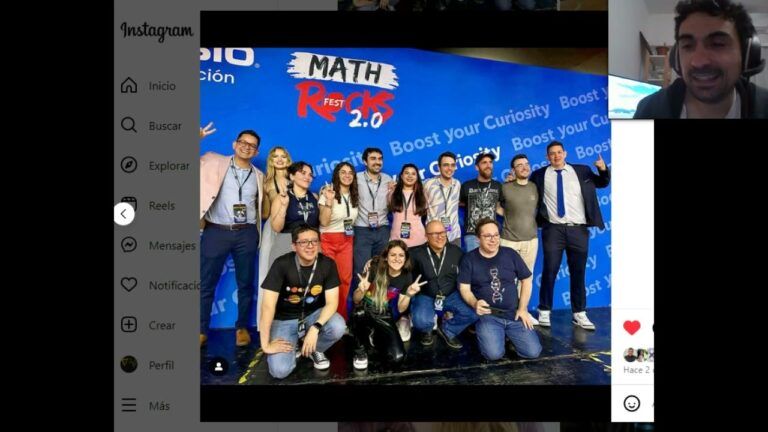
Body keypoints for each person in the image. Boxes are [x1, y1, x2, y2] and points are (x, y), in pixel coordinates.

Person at [634, 0, 767, 119]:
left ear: (746, 54)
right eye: (687, 46)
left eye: (717, 44)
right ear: (677, 58)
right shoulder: (649, 109)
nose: (699, 62)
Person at [530, 141, 610, 330]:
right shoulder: (539, 175)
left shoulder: (582, 170)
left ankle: (579, 313)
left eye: (559, 152)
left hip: (578, 230)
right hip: (553, 229)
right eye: (552, 153)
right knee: (550, 270)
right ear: (547, 157)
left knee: (578, 272)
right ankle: (544, 310)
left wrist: (603, 169)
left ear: (565, 153)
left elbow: (602, 183)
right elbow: (526, 190)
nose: (556, 156)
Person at [199, 127, 264, 348]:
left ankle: (242, 327)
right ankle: (200, 330)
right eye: (243, 142)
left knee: (245, 282)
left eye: (252, 145)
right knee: (206, 283)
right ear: (234, 144)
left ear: (256, 152)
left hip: (246, 233)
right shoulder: (213, 161)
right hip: (216, 231)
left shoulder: (259, 176)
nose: (247, 147)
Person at [259, 225, 346, 378]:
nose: (310, 246)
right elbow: (267, 306)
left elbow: (332, 302)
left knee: (338, 326)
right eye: (304, 242)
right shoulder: (281, 264)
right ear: (294, 246)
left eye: (314, 241)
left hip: (313, 315)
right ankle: (296, 347)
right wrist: (265, 345)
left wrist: (315, 328)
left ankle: (313, 348)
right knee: (280, 371)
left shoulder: (327, 264)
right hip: (284, 320)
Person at [458, 218, 542, 361]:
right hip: (488, 316)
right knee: (493, 355)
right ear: (478, 238)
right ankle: (493, 335)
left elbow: (527, 280)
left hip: (513, 314)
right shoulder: (469, 259)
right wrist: (474, 303)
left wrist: (523, 309)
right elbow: (464, 288)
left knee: (533, 352)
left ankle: (509, 338)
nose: (493, 240)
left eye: (496, 235)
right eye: (487, 236)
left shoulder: (510, 254)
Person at [350, 240, 427, 369]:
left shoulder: (406, 276)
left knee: (398, 358)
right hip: (366, 309)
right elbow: (356, 300)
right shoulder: (375, 268)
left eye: (401, 255)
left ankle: (375, 334)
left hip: (384, 313)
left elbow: (401, 308)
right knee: (358, 313)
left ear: (406, 258)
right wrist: (361, 290)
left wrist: (409, 294)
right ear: (386, 257)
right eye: (393, 255)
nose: (397, 259)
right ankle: (360, 350)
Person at [409, 220, 477, 348]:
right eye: (435, 234)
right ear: (426, 236)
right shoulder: (415, 254)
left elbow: (471, 267)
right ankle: (427, 330)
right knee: (420, 320)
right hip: (426, 295)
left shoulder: (457, 252)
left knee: (473, 313)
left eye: (442, 232)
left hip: (451, 294)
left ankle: (447, 330)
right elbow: (396, 261)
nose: (440, 237)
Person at [256, 146, 292, 331]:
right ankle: (266, 324)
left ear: (288, 160)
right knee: (269, 274)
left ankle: (290, 321)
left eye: (283, 156)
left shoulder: (296, 180)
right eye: (275, 156)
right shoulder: (266, 183)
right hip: (273, 230)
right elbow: (265, 214)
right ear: (270, 160)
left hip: (293, 230)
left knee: (293, 276)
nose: (279, 159)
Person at [318, 162, 359, 321]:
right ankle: (325, 318)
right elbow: (323, 222)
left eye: (350, 172)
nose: (347, 175)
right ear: (337, 174)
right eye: (343, 172)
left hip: (347, 240)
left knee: (345, 280)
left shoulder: (354, 195)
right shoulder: (328, 192)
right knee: (329, 281)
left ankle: (340, 318)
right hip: (328, 239)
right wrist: (329, 201)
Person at [353, 148, 395, 293]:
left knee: (382, 268)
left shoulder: (388, 179)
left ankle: (378, 301)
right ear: (365, 161)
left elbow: (392, 205)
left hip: (383, 229)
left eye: (380, 158)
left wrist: (393, 193)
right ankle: (360, 302)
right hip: (362, 229)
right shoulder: (356, 178)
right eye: (373, 158)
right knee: (361, 269)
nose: (377, 162)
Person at [267, 161, 320, 272]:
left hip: (310, 245)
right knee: (283, 280)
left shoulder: (314, 197)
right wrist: (284, 206)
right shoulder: (281, 197)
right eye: (303, 173)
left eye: (310, 175)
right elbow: (276, 228)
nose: (307, 177)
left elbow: (323, 223)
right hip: (287, 243)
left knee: (311, 280)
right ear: (292, 176)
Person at [459, 152, 504, 252]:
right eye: (484, 162)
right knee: (474, 262)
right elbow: (459, 203)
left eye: (490, 162)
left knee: (493, 261)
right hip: (472, 235)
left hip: (492, 235)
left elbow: (498, 207)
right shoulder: (467, 186)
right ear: (477, 167)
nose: (488, 165)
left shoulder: (498, 186)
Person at [424, 151, 462, 247]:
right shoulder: (428, 184)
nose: (450, 168)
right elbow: (409, 188)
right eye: (446, 165)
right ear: (439, 167)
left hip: (454, 235)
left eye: (452, 165)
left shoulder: (457, 184)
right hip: (434, 235)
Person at [389, 163, 428, 248]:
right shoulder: (392, 193)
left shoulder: (422, 194)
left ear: (417, 177)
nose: (410, 176)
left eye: (413, 174)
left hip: (419, 241)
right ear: (401, 176)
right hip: (396, 240)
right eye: (407, 173)